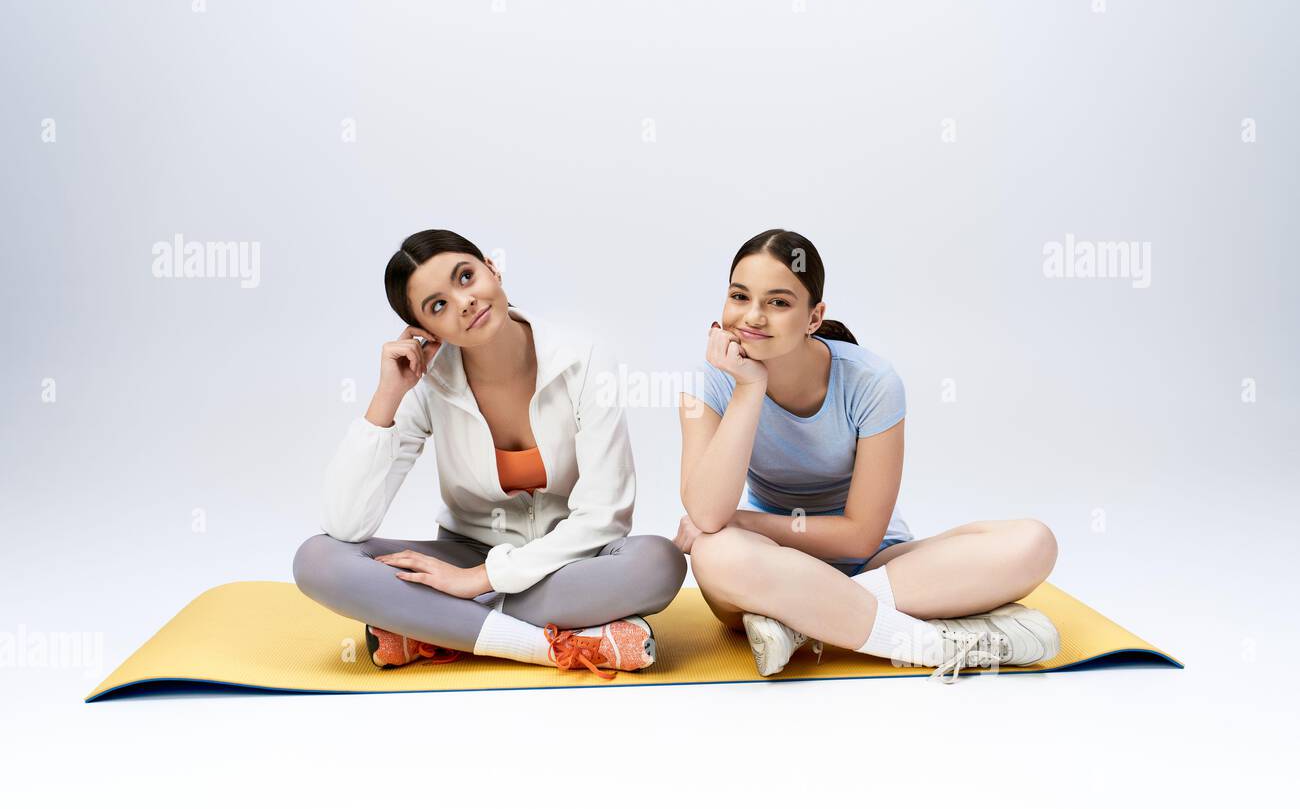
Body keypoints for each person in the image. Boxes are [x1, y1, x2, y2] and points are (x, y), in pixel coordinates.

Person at [293, 229, 686, 679]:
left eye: (466, 276)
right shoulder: (428, 382)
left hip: (572, 562)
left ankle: (433, 627)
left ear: (492, 268)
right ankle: (549, 645)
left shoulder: (583, 360)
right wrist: (387, 396)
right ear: (425, 330)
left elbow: (605, 515)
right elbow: (346, 524)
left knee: (659, 563)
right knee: (317, 559)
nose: (463, 302)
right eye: (437, 305)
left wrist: (478, 582)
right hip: (466, 551)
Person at [675, 228, 1061, 683]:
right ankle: (928, 644)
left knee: (1034, 542)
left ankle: (802, 621)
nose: (753, 316)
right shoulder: (712, 380)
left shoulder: (871, 381)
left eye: (779, 302)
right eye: (740, 296)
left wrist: (744, 520)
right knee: (715, 554)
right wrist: (749, 387)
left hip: (875, 566)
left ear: (814, 317)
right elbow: (706, 512)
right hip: (765, 563)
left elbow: (860, 538)